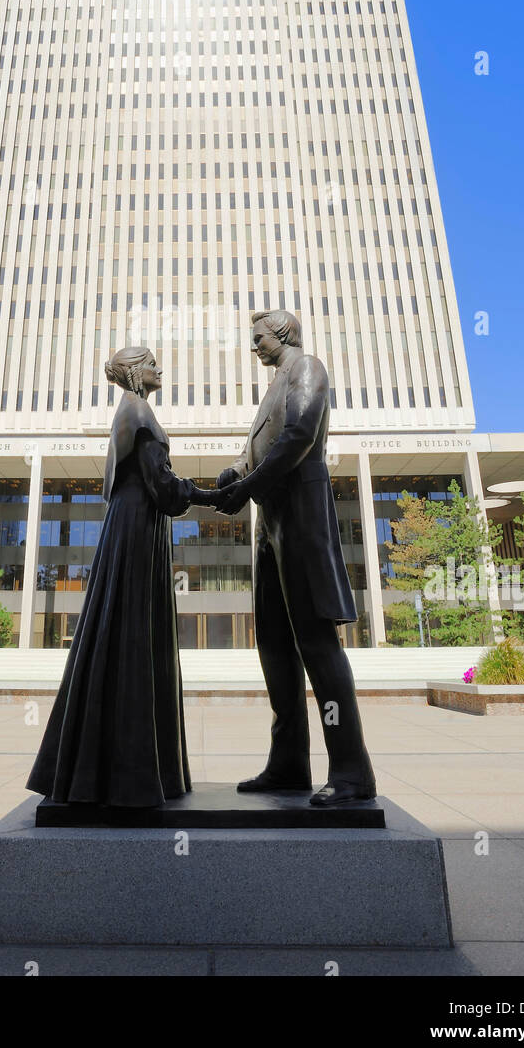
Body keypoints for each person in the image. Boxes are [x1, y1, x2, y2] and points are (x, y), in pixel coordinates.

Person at [26, 346, 218, 807]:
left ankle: (106, 774)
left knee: (126, 635)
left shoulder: (130, 410)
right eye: (151, 363)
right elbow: (164, 486)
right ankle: (129, 780)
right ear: (135, 373)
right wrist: (216, 494)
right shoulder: (138, 411)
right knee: (133, 635)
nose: (159, 369)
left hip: (134, 524)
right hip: (138, 527)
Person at [213, 309, 377, 808]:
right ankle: (288, 763)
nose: (253, 346)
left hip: (301, 516)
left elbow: (299, 436)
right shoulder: (276, 382)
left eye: (258, 337)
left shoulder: (308, 368)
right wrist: (234, 472)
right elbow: (262, 447)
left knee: (316, 643)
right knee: (276, 647)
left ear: (282, 334)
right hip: (271, 524)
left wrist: (248, 485)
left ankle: (351, 771)